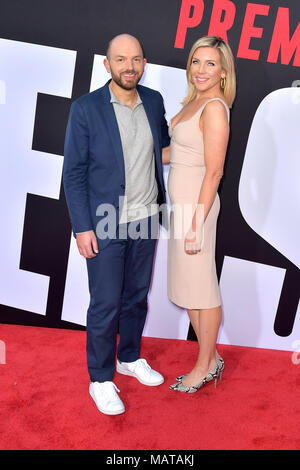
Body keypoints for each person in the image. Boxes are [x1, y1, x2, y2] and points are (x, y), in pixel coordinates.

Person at [63, 34, 170, 414]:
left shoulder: (154, 101)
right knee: (105, 303)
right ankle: (101, 379)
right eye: (121, 59)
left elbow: (163, 147)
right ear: (107, 65)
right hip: (105, 224)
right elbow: (74, 173)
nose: (130, 66)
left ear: (144, 63)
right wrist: (82, 226)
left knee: (136, 297)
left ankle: (128, 358)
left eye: (136, 59)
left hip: (146, 220)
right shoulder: (86, 108)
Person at [163, 36, 236, 393]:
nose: (201, 70)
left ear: (223, 72)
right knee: (190, 288)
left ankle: (204, 366)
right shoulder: (194, 102)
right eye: (196, 62)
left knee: (204, 290)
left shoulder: (215, 108)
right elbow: (176, 153)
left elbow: (214, 172)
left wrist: (196, 223)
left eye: (210, 64)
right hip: (182, 207)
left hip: (199, 207)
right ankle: (212, 358)